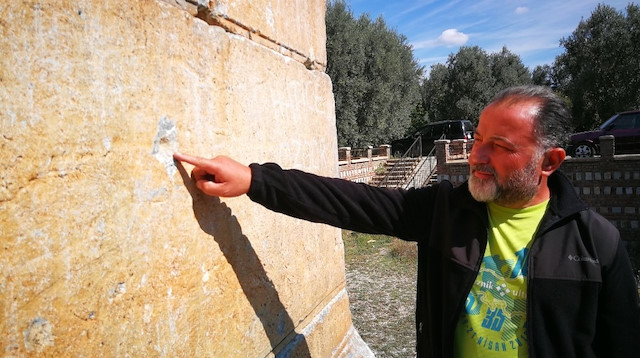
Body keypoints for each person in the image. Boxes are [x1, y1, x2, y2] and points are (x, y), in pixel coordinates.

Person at [173, 86, 640, 357]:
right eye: (476, 138)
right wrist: (255, 179)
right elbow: (350, 202)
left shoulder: (597, 243)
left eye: (499, 146)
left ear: (550, 162)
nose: (475, 156)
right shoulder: (444, 211)